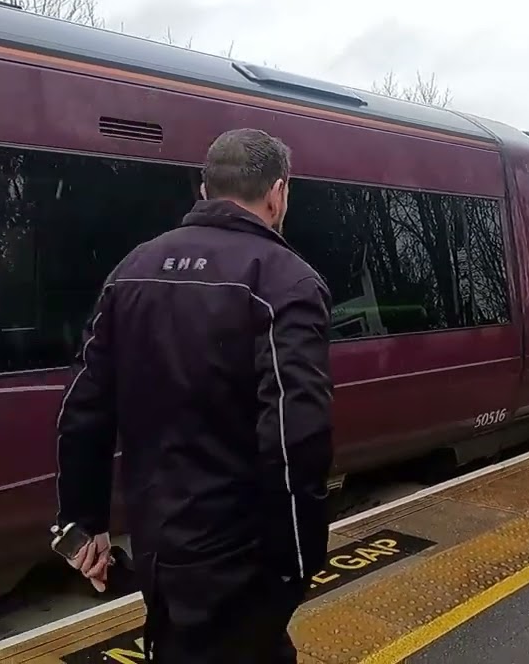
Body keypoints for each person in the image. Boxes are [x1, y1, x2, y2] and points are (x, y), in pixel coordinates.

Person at [54, 128, 334, 663]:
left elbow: (82, 408)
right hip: (239, 554)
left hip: (157, 546)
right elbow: (296, 432)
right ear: (278, 193)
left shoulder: (130, 270)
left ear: (203, 190)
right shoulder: (286, 281)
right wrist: (297, 558)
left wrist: (82, 521)